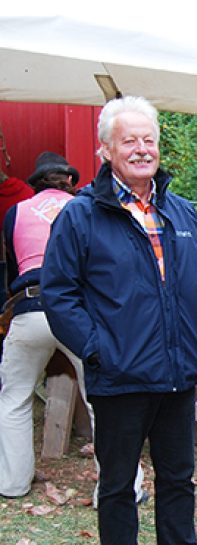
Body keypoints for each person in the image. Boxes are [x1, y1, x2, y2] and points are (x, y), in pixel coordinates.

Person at [41, 96, 197, 545]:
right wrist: (98, 349)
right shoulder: (81, 215)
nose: (142, 149)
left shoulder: (180, 212)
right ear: (106, 149)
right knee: (117, 483)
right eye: (130, 140)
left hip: (175, 373)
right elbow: (60, 294)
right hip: (117, 376)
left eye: (149, 140)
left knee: (178, 479)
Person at [0, 153, 83, 497]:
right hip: (76, 310)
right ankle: (119, 485)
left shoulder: (15, 212)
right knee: (104, 399)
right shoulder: (82, 210)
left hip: (29, 305)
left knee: (14, 398)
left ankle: (13, 483)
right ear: (69, 182)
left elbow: (12, 268)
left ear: (35, 185)